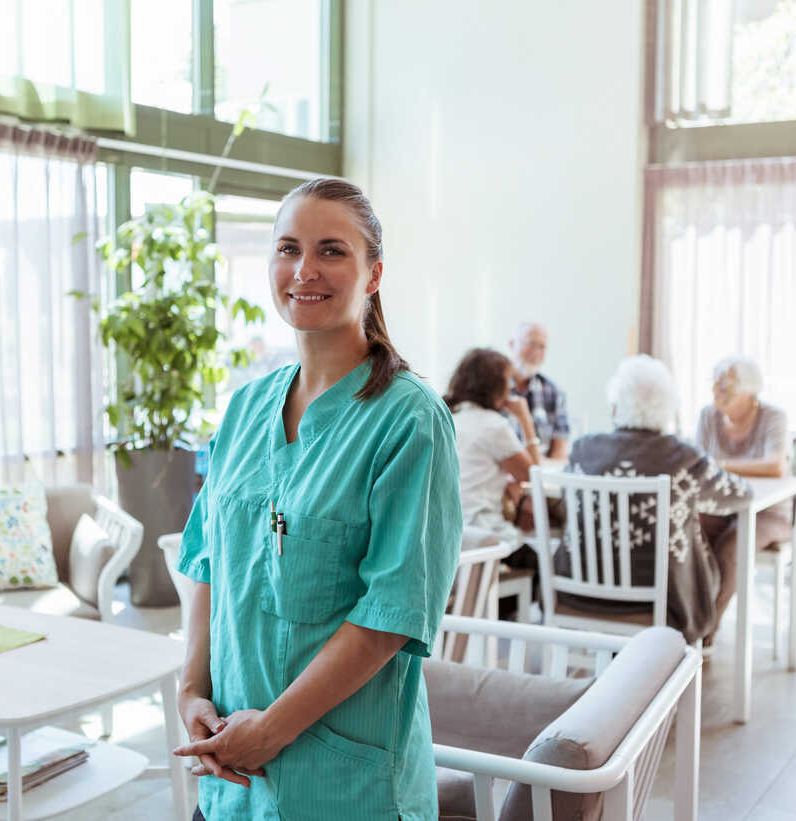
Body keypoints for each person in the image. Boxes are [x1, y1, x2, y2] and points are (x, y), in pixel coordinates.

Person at [171, 178, 463, 821]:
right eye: (287, 248)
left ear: (374, 272)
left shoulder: (410, 420)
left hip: (344, 788)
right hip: (232, 785)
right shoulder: (246, 408)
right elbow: (206, 562)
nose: (304, 270)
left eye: (332, 250)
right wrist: (191, 690)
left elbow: (390, 614)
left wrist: (272, 730)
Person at [564, 355, 749, 644]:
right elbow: (740, 497)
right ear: (669, 407)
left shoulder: (583, 450)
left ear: (615, 404)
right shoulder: (685, 458)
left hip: (578, 594)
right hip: (666, 605)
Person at [695, 355, 793, 642]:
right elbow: (698, 466)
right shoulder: (708, 416)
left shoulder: (773, 417)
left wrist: (722, 465)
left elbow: (775, 466)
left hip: (769, 514)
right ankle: (685, 619)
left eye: (725, 386)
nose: (716, 391)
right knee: (687, 533)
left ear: (749, 393)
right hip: (719, 507)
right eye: (715, 384)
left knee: (732, 546)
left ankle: (705, 632)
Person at [444, 347, 542, 547]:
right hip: (482, 533)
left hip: (448, 533)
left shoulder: (449, 418)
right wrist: (525, 419)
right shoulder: (493, 425)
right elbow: (534, 475)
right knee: (545, 558)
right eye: (508, 381)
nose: (511, 387)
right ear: (495, 386)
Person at [507, 322, 570, 459]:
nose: (536, 352)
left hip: (541, 474)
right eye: (530, 344)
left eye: (542, 347)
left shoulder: (555, 392)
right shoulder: (493, 389)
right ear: (512, 344)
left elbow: (559, 451)